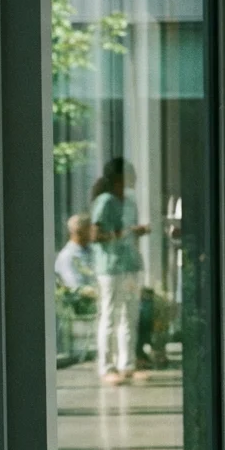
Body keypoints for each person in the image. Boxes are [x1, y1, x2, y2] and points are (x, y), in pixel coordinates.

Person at [90, 159, 149, 386]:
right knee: (110, 314)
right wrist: (125, 232)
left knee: (130, 316)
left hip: (131, 264)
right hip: (111, 267)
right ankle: (106, 366)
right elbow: (96, 235)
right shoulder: (105, 201)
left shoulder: (131, 200)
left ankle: (128, 364)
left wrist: (135, 232)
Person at [55, 214, 96, 291]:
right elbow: (75, 286)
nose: (94, 232)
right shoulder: (67, 256)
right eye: (90, 229)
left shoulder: (92, 250)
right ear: (79, 231)